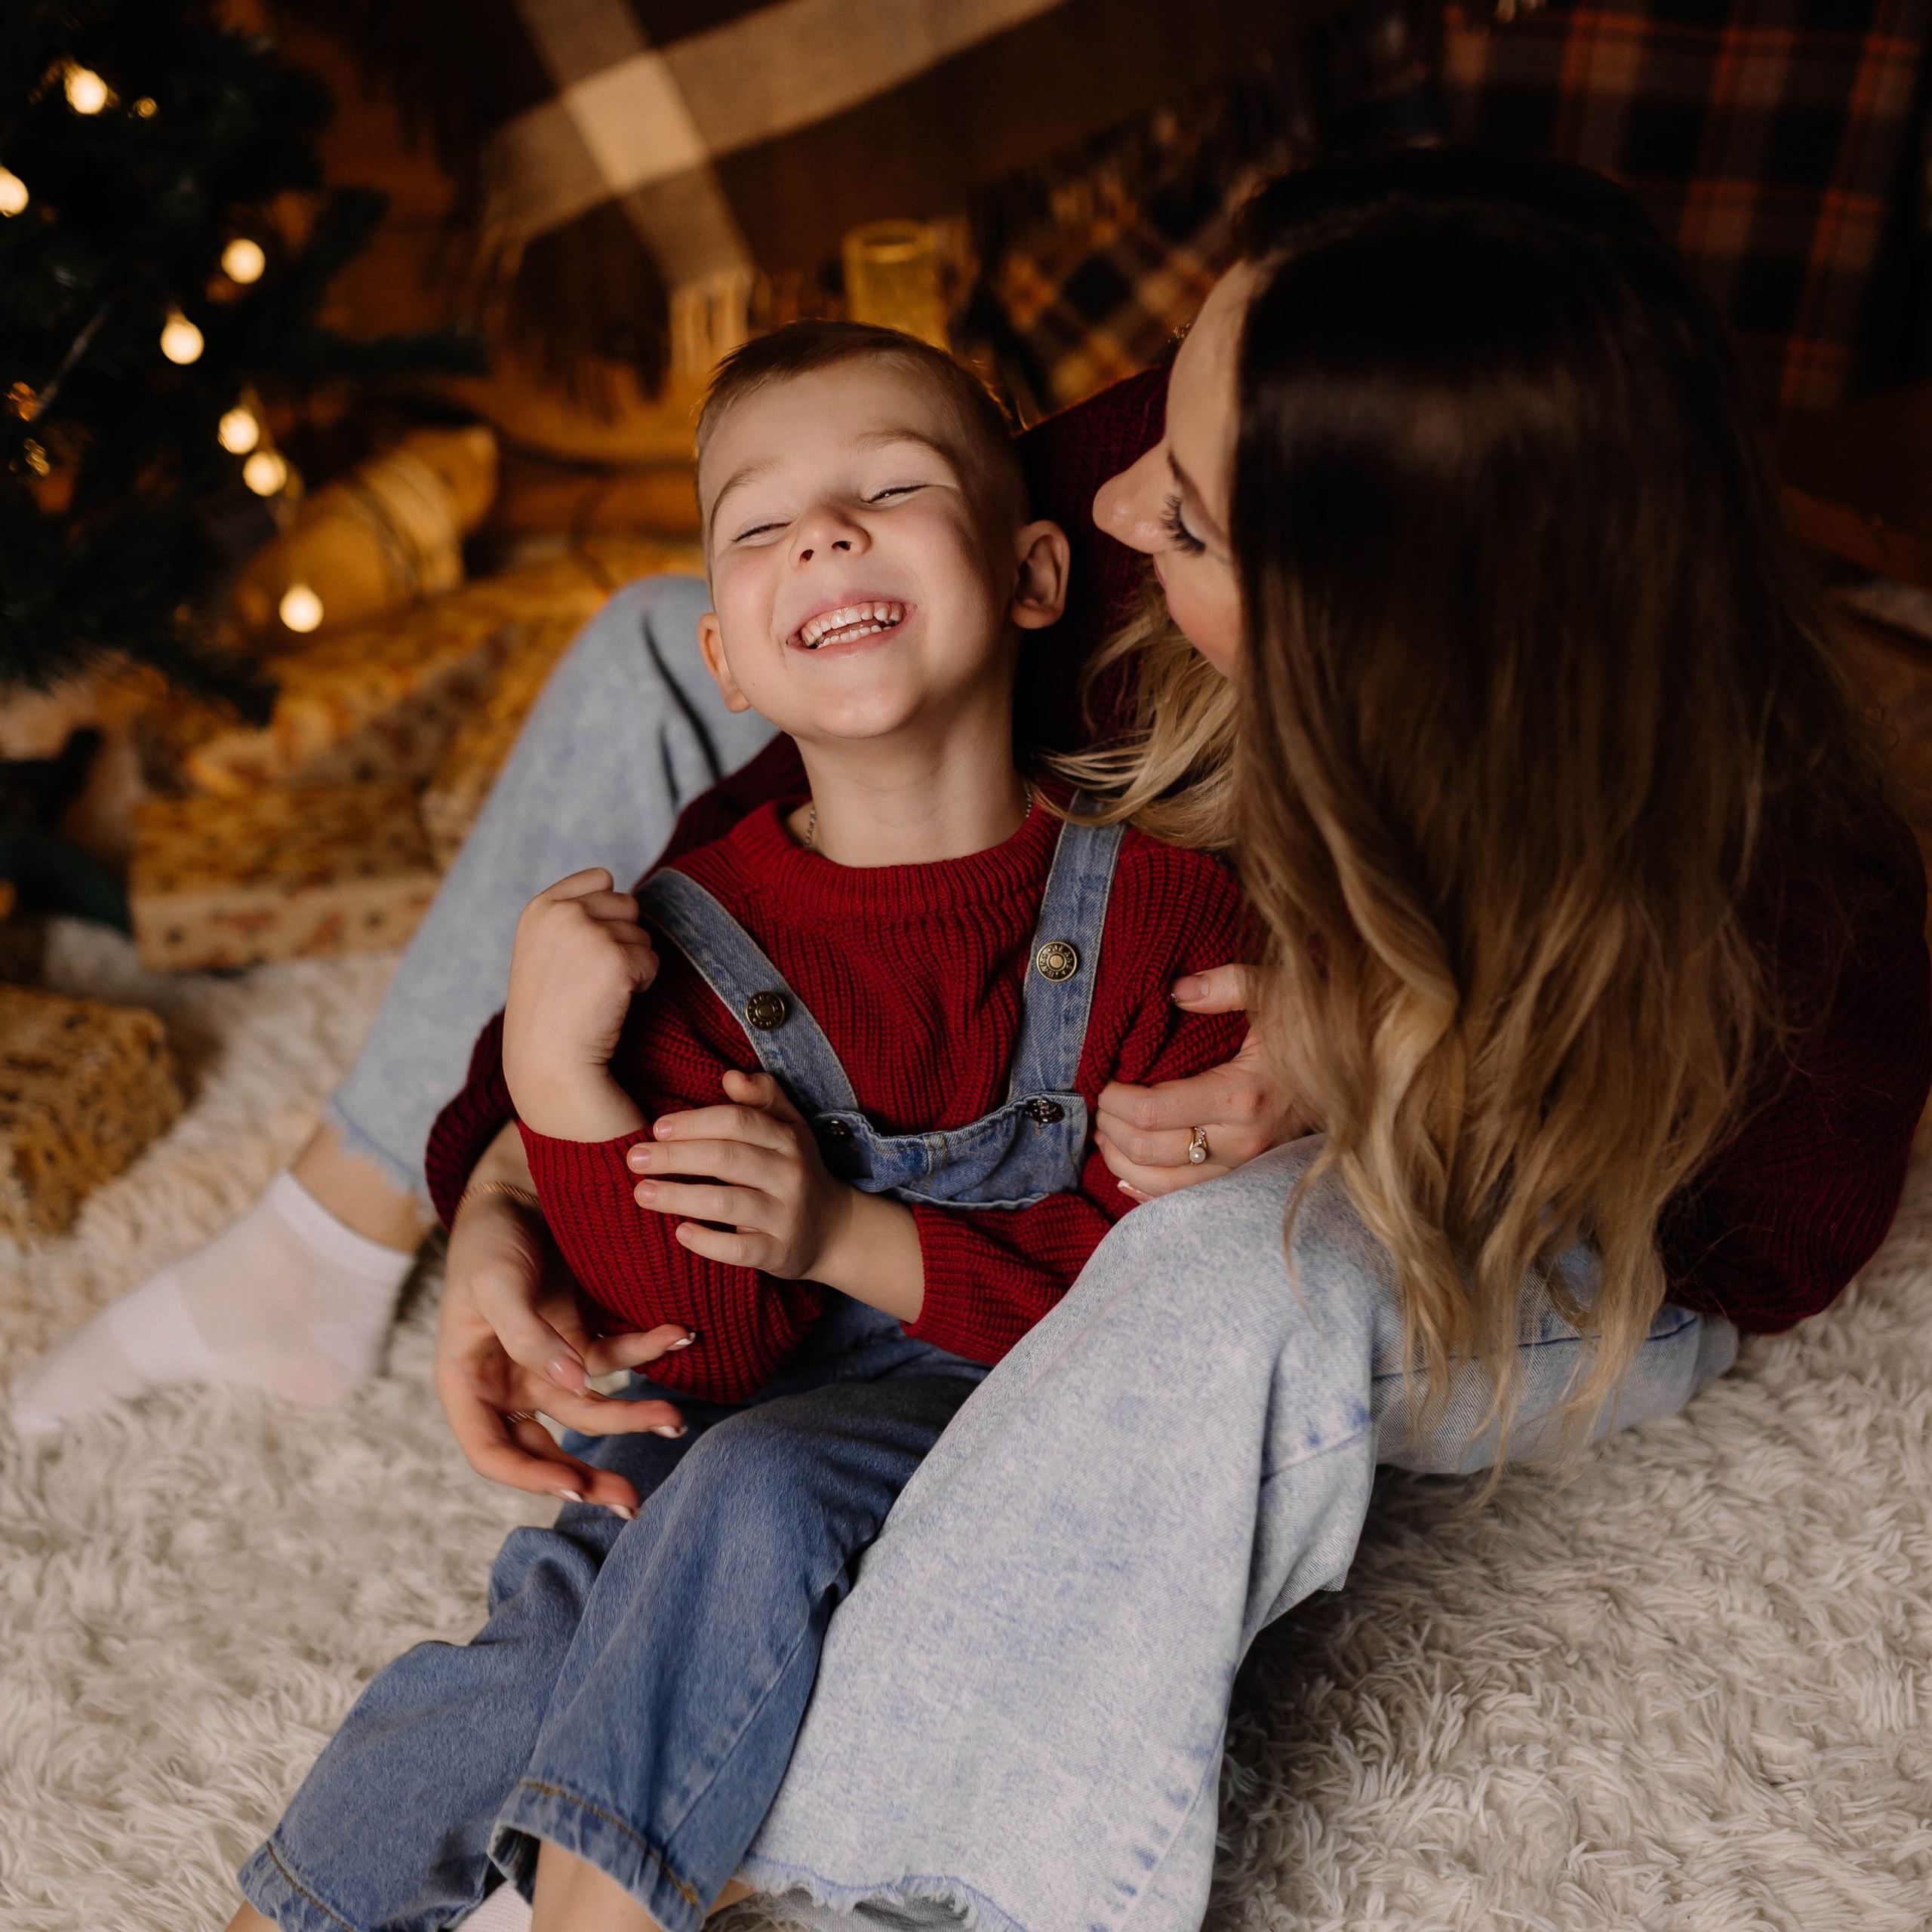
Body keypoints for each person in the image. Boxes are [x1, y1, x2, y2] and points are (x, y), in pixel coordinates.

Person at [32, 145, 1932, 1932]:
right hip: (950, 1137)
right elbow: (820, 758)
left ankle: (849, 1839)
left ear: (1359, 656)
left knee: (1213, 1267)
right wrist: (523, 1147)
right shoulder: (1166, 465)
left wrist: (1376, 1067)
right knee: (649, 633)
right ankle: (327, 1232)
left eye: (1174, 516)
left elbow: (1748, 1246)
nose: (1110, 505)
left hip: (1567, 1221)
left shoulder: (1797, 931)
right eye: (1146, 442)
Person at [228, 320, 1251, 1932]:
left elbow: (1144, 1327)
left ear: (1036, 573)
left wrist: (843, 1234)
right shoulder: (696, 934)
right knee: (561, 1594)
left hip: (1003, 1423)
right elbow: (699, 1350)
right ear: (727, 659)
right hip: (746, 1396)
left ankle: (579, 1910)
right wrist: (563, 1087)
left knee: (752, 1490)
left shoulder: (1161, 918)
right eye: (761, 524)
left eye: (888, 488)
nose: (823, 534)